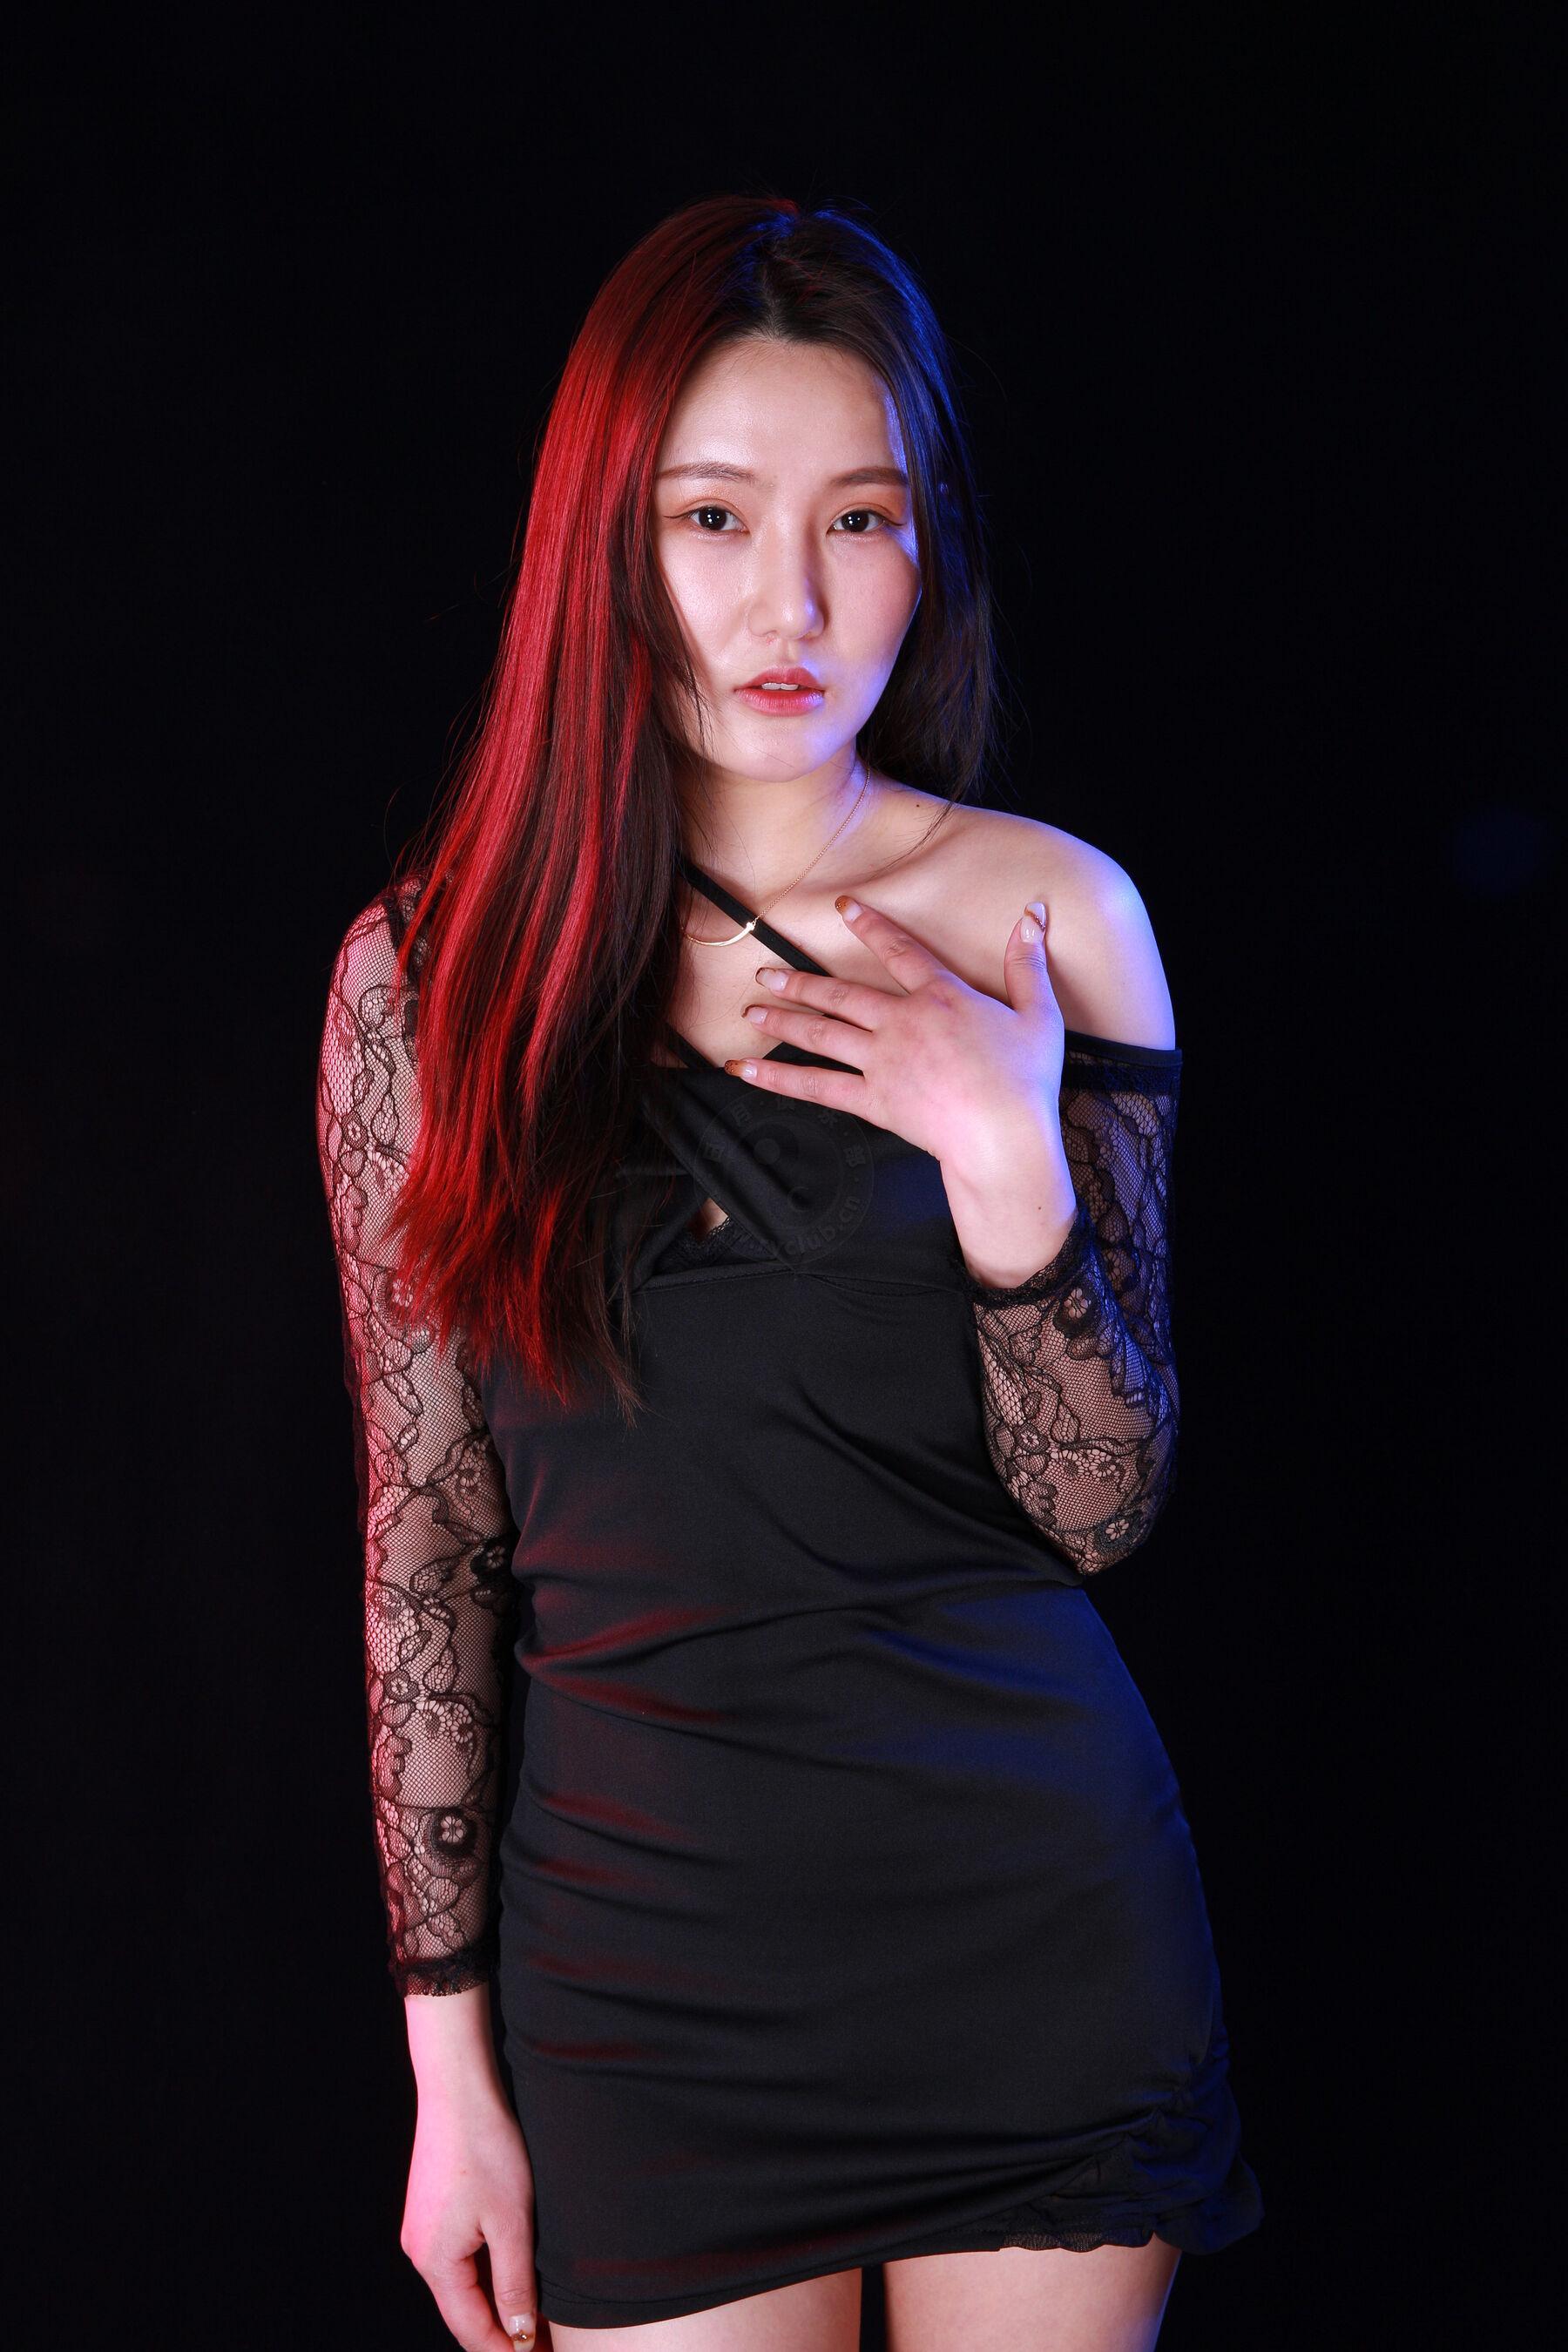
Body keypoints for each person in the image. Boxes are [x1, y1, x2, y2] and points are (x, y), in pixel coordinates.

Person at [316, 193, 1263, 2352]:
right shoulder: (429, 980)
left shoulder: (1047, 918)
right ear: (606, 548)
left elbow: (1099, 1510)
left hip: (1034, 1944)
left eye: (862, 521)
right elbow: (429, 1541)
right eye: (715, 518)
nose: (794, 602)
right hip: (641, 1990)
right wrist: (449, 2080)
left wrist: (1004, 1149)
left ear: (928, 554)